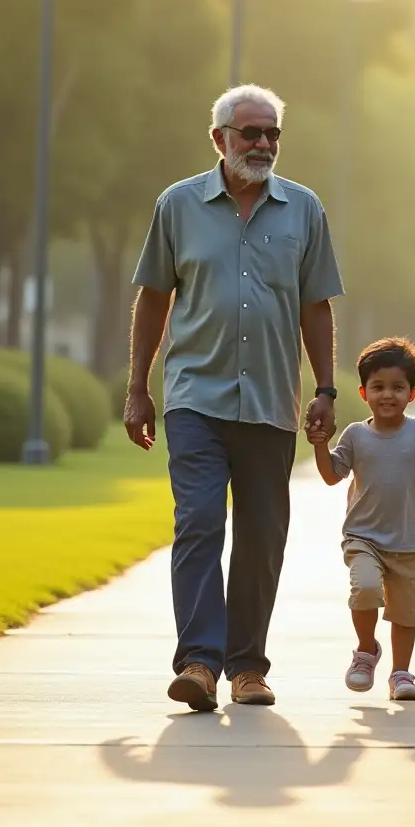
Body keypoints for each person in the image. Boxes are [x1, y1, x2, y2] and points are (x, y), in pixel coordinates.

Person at [124, 84, 344, 713]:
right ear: (219, 138)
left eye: (272, 133)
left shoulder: (303, 210)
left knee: (262, 534)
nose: (263, 143)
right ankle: (198, 661)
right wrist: (139, 388)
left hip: (272, 402)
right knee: (197, 523)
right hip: (196, 395)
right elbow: (154, 299)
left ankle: (248, 667)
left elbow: (316, 305)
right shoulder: (178, 205)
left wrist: (326, 388)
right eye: (251, 132)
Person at [309, 338, 415, 702]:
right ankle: (366, 650)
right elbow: (332, 475)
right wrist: (319, 443)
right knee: (364, 587)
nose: (387, 395)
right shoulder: (355, 435)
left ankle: (400, 674)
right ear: (364, 392)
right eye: (378, 387)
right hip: (363, 536)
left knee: (405, 614)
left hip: (409, 540)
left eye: (397, 388)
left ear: (412, 393)